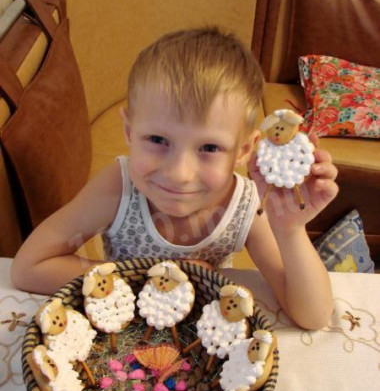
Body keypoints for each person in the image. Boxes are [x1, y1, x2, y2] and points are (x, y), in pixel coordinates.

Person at [11, 27, 339, 330]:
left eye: (209, 147)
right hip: (121, 329)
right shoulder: (119, 186)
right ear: (129, 131)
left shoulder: (244, 205)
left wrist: (291, 230)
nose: (178, 174)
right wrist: (154, 276)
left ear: (243, 150)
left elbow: (312, 316)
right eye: (157, 140)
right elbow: (29, 267)